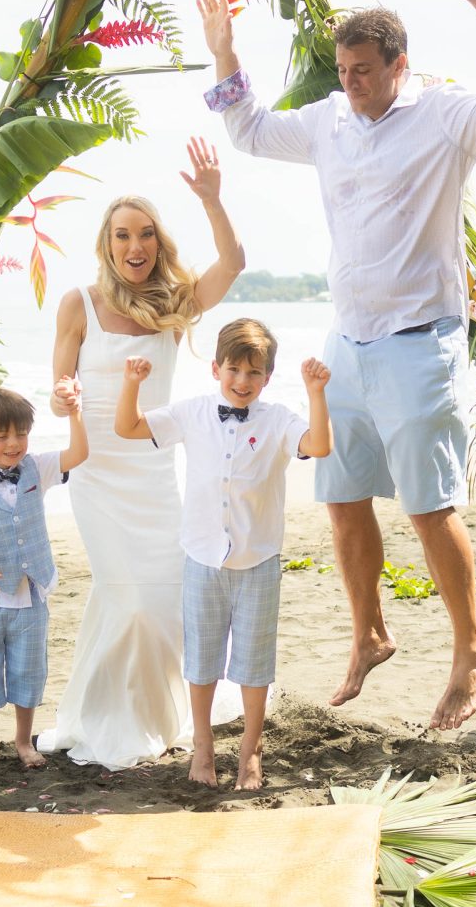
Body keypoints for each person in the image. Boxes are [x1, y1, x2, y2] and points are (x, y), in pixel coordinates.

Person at [198, 0, 476, 731]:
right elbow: (248, 129)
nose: (349, 85)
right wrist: (224, 51)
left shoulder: (447, 114)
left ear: (397, 63)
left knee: (428, 505)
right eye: (342, 72)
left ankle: (470, 651)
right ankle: (370, 633)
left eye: (362, 72)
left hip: (421, 341)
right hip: (347, 343)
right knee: (341, 496)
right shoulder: (329, 121)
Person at [35, 137, 245, 770]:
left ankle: (148, 712)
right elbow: (55, 392)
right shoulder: (80, 304)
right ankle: (108, 719)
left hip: (154, 472)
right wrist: (64, 397)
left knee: (157, 600)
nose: (135, 246)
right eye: (123, 235)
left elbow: (233, 262)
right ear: (108, 245)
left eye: (146, 235)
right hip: (97, 469)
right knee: (125, 596)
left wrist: (212, 199)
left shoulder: (173, 304)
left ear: (158, 243)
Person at [115, 318, 333, 789]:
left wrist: (316, 392)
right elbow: (127, 426)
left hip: (258, 563)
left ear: (268, 378)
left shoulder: (278, 419)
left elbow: (319, 444)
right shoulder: (192, 412)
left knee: (255, 664)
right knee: (202, 660)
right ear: (216, 368)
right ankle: (204, 747)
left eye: (255, 374)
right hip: (202, 560)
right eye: (234, 370)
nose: (242, 382)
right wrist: (132, 383)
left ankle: (251, 751)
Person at [0, 386, 88, 773]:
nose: (13, 443)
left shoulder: (36, 468)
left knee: (29, 671)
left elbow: (79, 454)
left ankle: (23, 741)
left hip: (32, 596)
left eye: (21, 434)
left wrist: (74, 412)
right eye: (2, 435)